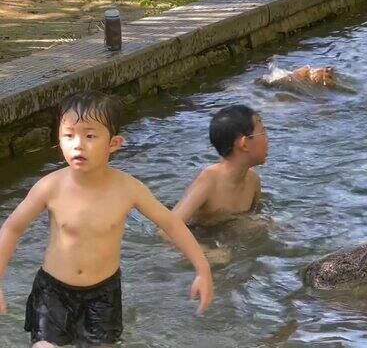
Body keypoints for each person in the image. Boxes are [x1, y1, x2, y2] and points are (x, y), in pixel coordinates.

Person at [0, 90, 213, 347]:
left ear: (114, 143)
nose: (78, 144)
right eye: (69, 135)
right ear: (59, 139)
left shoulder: (128, 188)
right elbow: (12, 228)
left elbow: (170, 223)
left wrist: (202, 269)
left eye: (90, 135)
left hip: (103, 294)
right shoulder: (50, 187)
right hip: (53, 291)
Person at [171, 105, 267, 228]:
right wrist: (205, 248)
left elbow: (254, 215)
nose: (267, 139)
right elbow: (168, 229)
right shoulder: (209, 180)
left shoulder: (253, 181)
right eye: (263, 133)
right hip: (198, 232)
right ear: (244, 144)